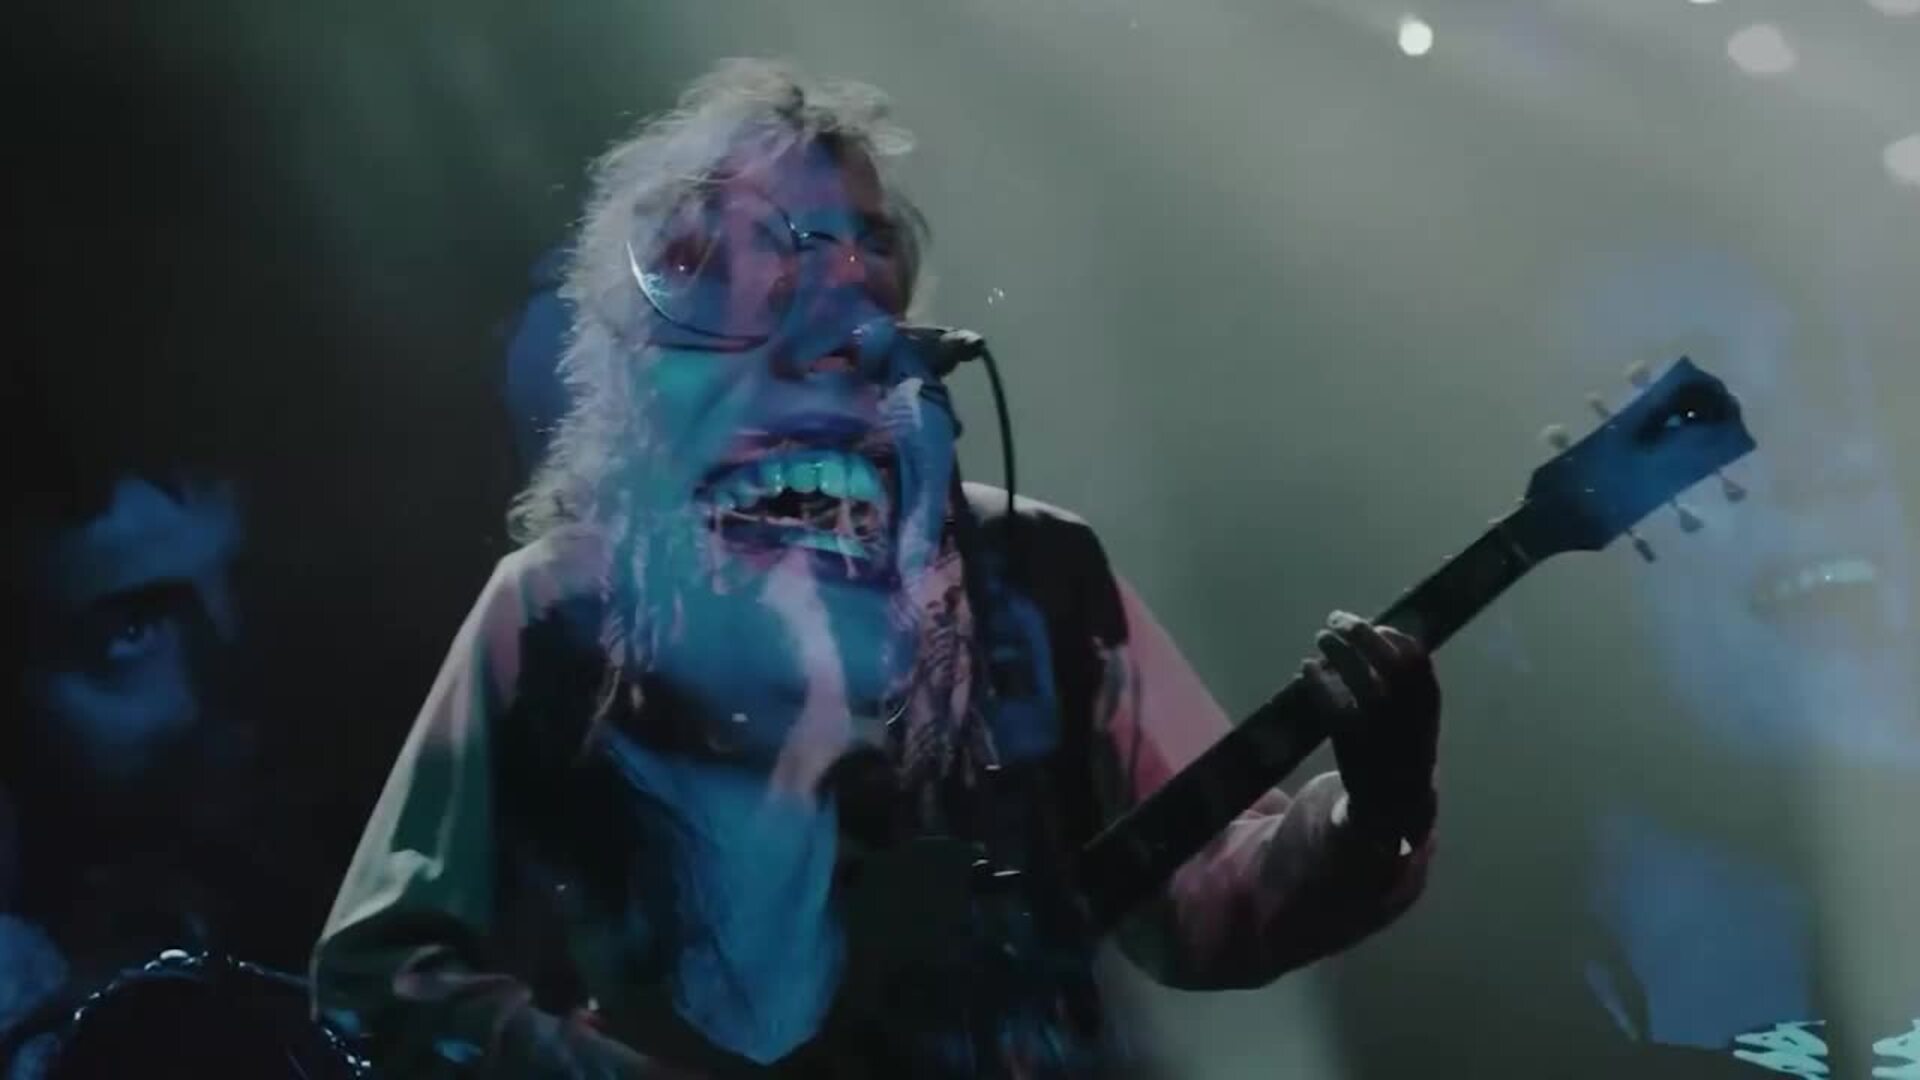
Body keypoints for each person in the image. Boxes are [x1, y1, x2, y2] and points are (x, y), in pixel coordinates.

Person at [312, 59, 1445, 1078]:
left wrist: (1374, 812)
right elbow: (384, 970)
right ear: (673, 297)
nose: (845, 279)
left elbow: (1210, 902)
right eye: (780, 240)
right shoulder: (562, 604)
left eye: (865, 237)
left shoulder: (1037, 571)